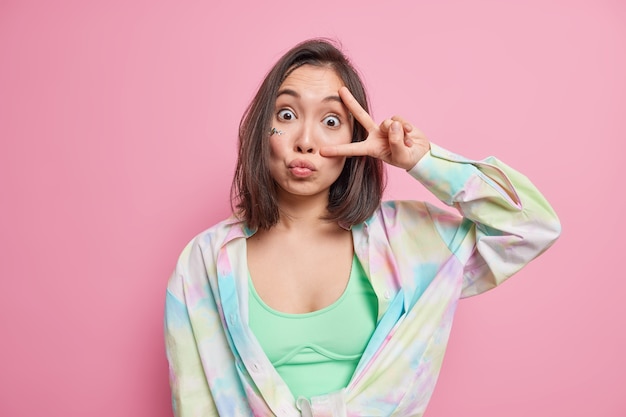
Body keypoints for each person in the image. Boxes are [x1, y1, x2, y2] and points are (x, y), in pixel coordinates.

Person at [164, 38, 560, 417]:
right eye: (286, 115)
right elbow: (194, 403)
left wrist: (423, 162)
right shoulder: (205, 264)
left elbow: (531, 227)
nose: (305, 140)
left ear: (356, 137)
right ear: (259, 130)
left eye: (331, 120)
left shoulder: (407, 241)